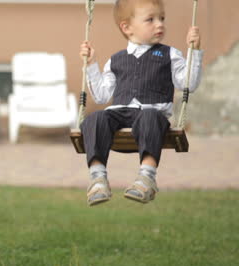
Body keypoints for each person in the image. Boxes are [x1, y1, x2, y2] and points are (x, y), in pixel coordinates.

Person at [79, 0, 202, 206]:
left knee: (150, 116)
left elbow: (187, 82)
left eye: (162, 18)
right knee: (96, 118)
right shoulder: (115, 60)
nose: (160, 24)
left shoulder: (169, 54)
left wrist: (194, 51)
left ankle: (146, 178)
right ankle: (98, 178)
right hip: (119, 113)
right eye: (150, 20)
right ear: (127, 28)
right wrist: (91, 64)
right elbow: (101, 96)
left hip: (151, 112)